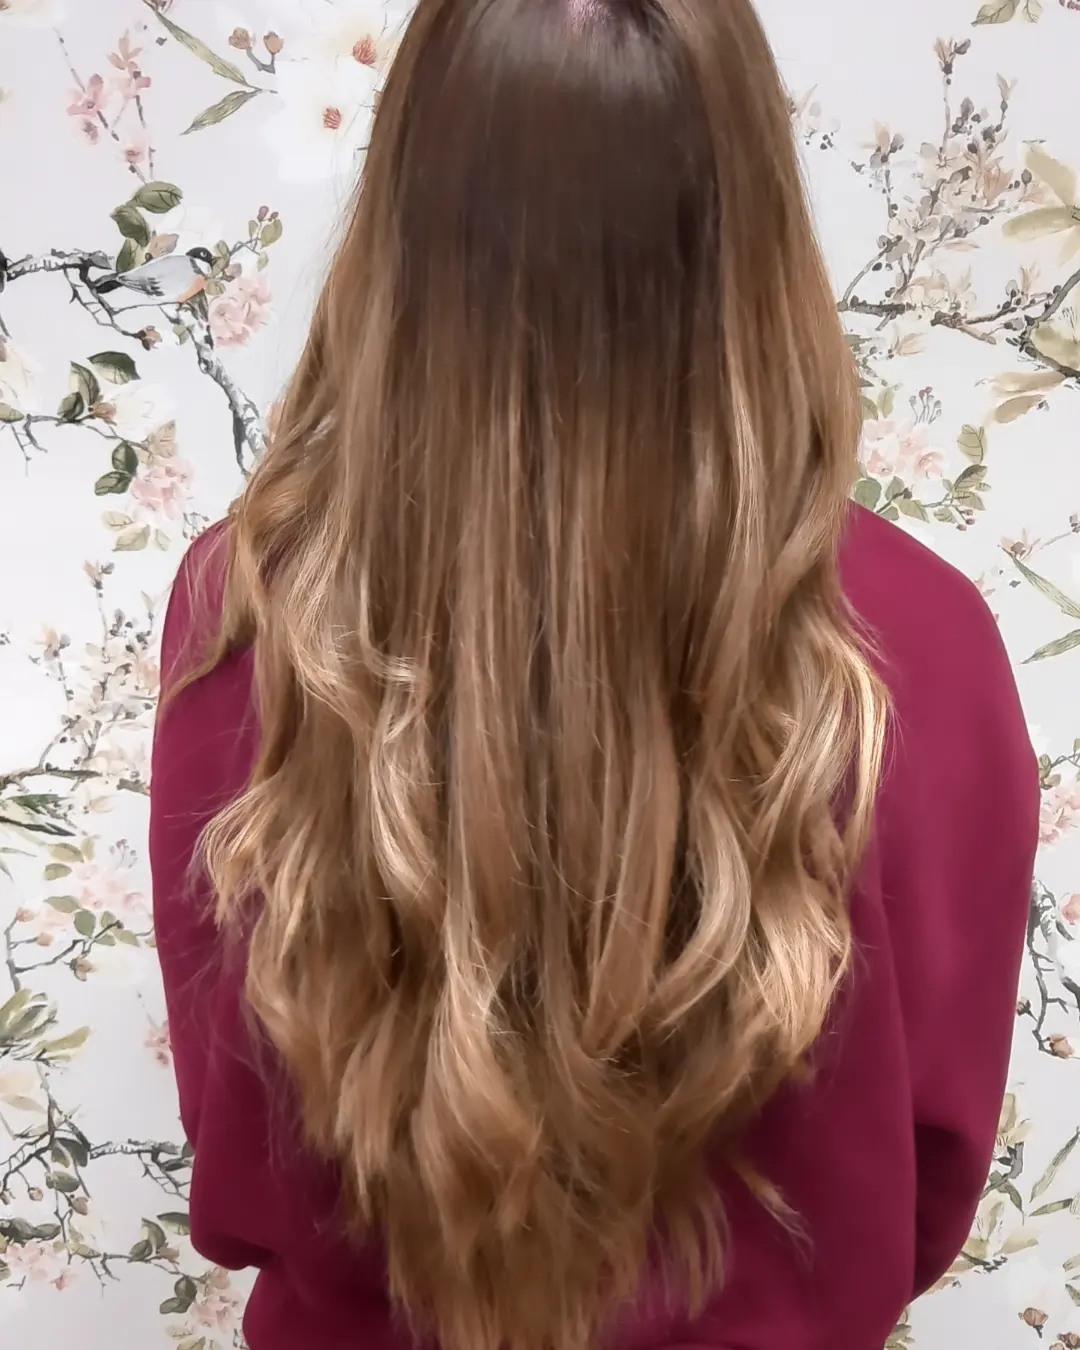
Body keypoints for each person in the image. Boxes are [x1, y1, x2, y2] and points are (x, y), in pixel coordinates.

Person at [149, 1, 1040, 1347]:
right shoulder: (918, 644)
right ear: (748, 216)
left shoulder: (255, 610)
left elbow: (235, 1144)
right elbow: (929, 1173)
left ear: (410, 208)